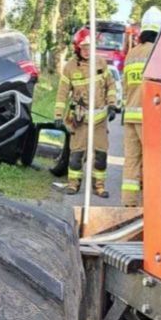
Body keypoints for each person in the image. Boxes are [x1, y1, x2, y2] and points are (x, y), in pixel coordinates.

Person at [54, 28, 118, 197]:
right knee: (76, 155)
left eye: (90, 47)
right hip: (79, 120)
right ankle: (73, 184)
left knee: (101, 156)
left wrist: (112, 105)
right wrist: (59, 115)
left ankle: (99, 186)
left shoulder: (100, 63)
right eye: (83, 48)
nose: (87, 51)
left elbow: (110, 85)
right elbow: (62, 93)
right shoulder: (70, 67)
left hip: (100, 120)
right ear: (77, 48)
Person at [121, 6, 161, 207]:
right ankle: (150, 208)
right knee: (153, 163)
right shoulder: (159, 52)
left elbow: (125, 84)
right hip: (149, 118)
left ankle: (128, 206)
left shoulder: (132, 54)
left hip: (129, 116)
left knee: (131, 164)